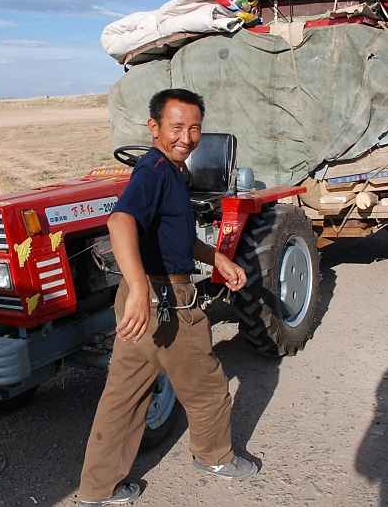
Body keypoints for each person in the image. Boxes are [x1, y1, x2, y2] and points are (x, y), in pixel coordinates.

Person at [77, 88, 259, 506]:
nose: (187, 136)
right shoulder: (155, 170)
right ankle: (214, 457)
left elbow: (174, 236)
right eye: (177, 126)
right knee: (208, 384)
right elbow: (120, 221)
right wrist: (142, 289)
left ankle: (97, 489)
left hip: (142, 302)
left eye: (195, 128)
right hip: (165, 301)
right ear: (154, 127)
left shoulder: (170, 172)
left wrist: (217, 258)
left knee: (124, 395)